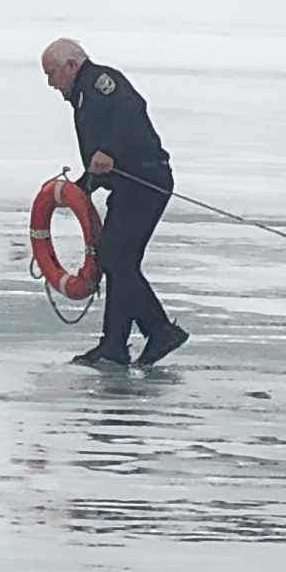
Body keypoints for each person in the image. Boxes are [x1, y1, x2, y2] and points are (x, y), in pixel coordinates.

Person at [40, 37, 189, 368]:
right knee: (117, 261)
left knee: (115, 257)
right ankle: (114, 346)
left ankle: (159, 329)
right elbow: (98, 157)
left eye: (52, 73)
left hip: (146, 181)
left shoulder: (99, 82)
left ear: (71, 66)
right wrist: (81, 188)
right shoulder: (82, 96)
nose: (51, 83)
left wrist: (108, 149)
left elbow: (131, 110)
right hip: (127, 186)